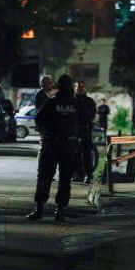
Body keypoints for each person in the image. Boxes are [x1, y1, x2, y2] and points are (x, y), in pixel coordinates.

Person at [27, 74, 84, 222]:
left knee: (44, 177)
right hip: (69, 146)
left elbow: (38, 119)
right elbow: (85, 122)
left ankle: (39, 210)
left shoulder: (51, 102)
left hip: (51, 144)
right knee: (65, 179)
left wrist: (49, 128)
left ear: (58, 86)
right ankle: (60, 212)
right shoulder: (77, 104)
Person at [72, 80, 96, 183]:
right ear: (75, 88)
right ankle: (78, 175)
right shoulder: (71, 100)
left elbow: (92, 115)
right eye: (78, 87)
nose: (80, 88)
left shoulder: (89, 101)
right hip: (74, 131)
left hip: (86, 131)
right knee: (75, 155)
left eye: (82, 87)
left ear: (85, 88)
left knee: (87, 155)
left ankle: (89, 176)